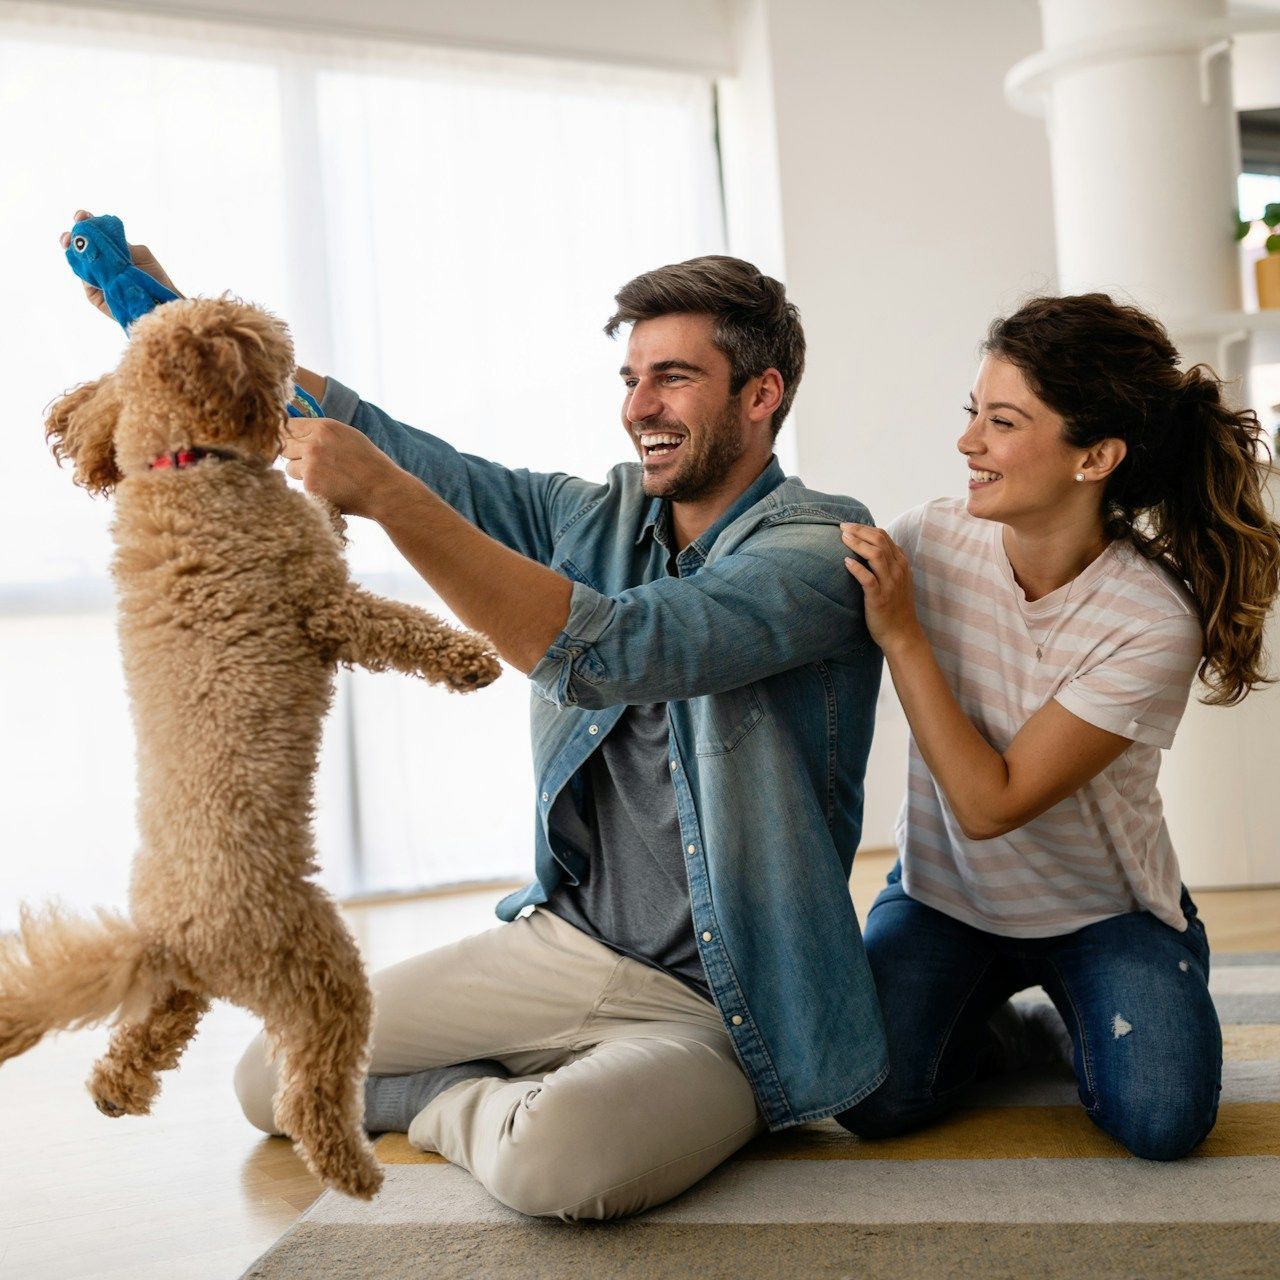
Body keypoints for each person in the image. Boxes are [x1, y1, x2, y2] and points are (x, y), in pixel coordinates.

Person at [61, 214, 889, 1218]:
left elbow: (607, 650)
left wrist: (393, 501)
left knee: (557, 1164)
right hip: (567, 948)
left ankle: (485, 1104)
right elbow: (380, 442)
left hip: (722, 998)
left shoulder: (816, 553)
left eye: (672, 377)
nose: (640, 405)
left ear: (761, 394)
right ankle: (501, 1091)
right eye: (629, 378)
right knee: (267, 1076)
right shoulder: (594, 515)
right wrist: (165, 310)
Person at [836, 293, 1280, 1160]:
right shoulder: (931, 539)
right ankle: (1008, 1032)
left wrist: (903, 638)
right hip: (943, 897)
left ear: (1097, 457)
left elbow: (990, 804)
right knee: (868, 1100)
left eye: (1002, 422)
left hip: (1101, 912)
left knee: (1162, 1121)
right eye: (974, 413)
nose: (968, 443)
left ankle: (1087, 1003)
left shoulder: (1150, 620)